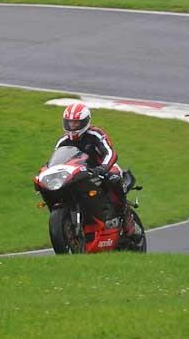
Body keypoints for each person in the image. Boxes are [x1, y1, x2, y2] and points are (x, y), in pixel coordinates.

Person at [55, 102, 141, 240]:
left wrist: (103, 168)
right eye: (70, 123)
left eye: (76, 124)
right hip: (78, 175)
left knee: (114, 178)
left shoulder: (95, 134)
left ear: (85, 122)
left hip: (102, 169)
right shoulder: (63, 141)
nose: (72, 127)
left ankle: (125, 215)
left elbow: (110, 153)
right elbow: (56, 161)